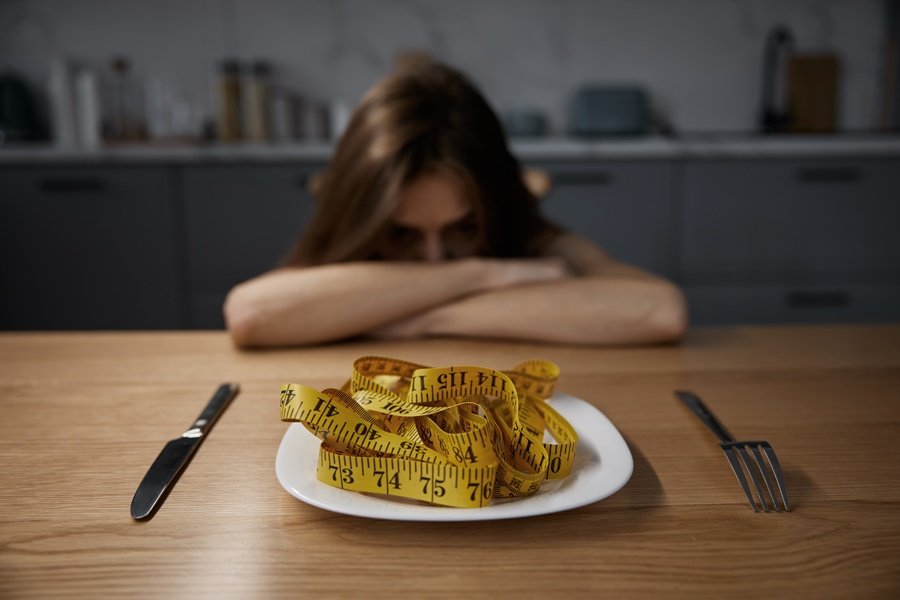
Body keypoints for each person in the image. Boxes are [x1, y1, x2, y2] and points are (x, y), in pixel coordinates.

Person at [224, 59, 687, 347]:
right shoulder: (478, 266)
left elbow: (657, 310)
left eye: (462, 229)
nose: (432, 259)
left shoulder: (529, 237)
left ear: (496, 205)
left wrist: (414, 314)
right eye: (402, 233)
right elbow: (252, 313)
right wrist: (480, 274)